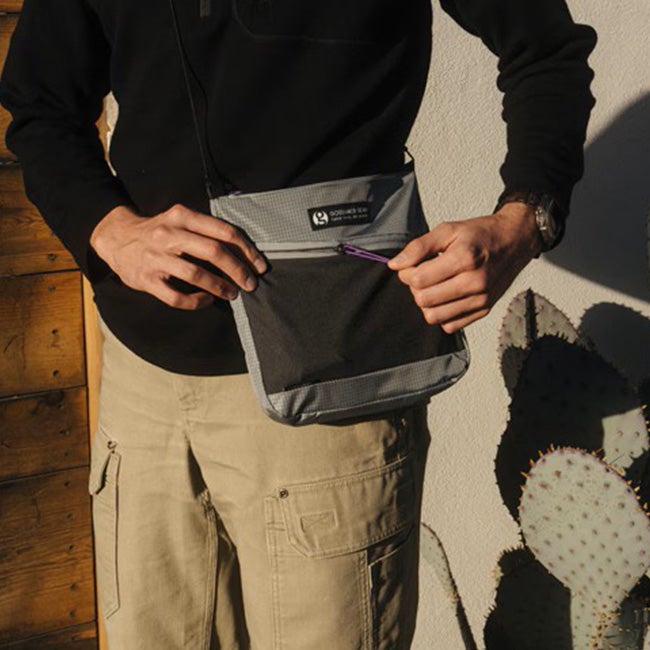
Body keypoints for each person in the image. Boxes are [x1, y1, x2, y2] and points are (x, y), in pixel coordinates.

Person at [0, 0, 596, 648]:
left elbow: (546, 50)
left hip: (331, 398)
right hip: (141, 389)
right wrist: (107, 227)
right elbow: (41, 105)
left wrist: (524, 220)